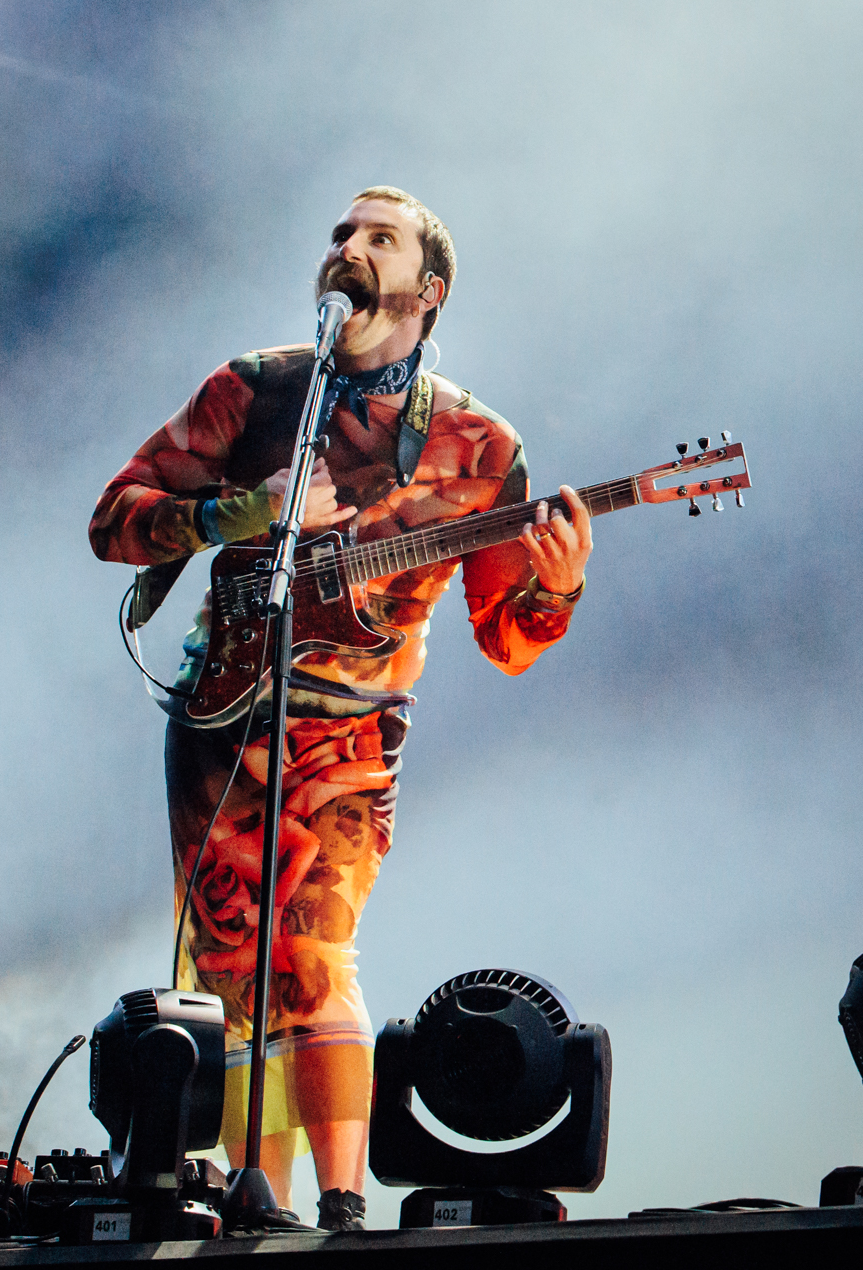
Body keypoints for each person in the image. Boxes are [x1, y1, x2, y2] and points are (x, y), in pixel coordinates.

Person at [90, 186, 593, 1229]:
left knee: (312, 946)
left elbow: (508, 638)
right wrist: (243, 511)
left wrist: (559, 584)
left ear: (429, 288)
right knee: (229, 963)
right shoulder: (254, 390)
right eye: (338, 235)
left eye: (378, 239)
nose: (347, 251)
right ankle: (245, 1198)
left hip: (351, 731)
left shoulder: (475, 446)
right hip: (223, 707)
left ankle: (343, 1209)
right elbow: (114, 522)